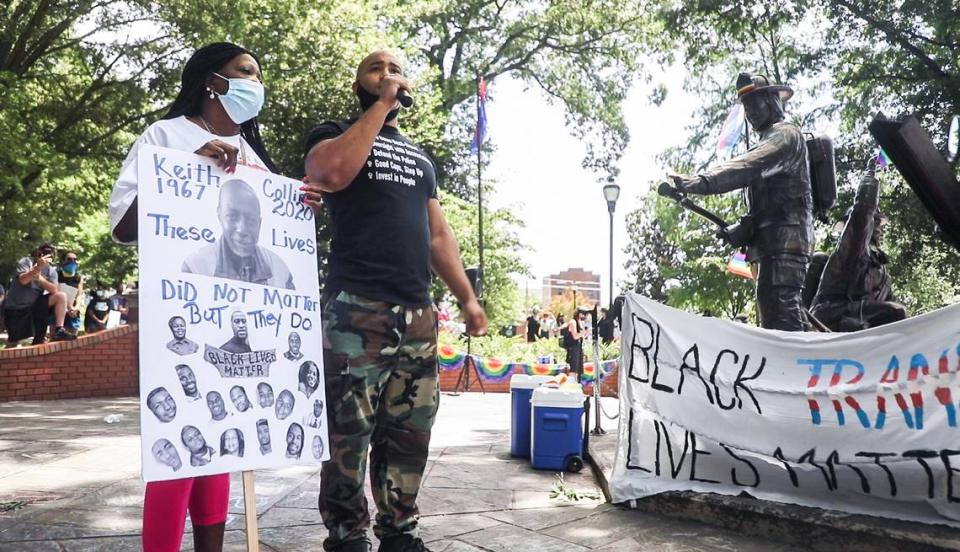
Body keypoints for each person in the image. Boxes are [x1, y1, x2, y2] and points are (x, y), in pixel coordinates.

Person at [302, 49, 489, 552]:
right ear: (359, 83)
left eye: (395, 70)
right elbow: (330, 173)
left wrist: (467, 299)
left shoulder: (421, 157)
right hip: (356, 308)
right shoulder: (333, 133)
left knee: (409, 433)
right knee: (348, 432)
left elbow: (437, 235)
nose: (388, 75)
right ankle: (345, 535)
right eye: (375, 68)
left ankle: (399, 532)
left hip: (418, 313)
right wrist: (379, 109)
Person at [109, 42, 277, 552]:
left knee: (223, 442)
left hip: (238, 324)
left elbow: (272, 235)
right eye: (244, 72)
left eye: (257, 74)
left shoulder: (255, 159)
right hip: (181, 317)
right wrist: (185, 168)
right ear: (213, 82)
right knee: (177, 447)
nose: (256, 83)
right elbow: (123, 225)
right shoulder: (166, 135)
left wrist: (300, 203)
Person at [669, 73, 813, 331]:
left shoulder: (786, 135)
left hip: (785, 244)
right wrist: (746, 228)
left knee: (782, 320)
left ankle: (795, 369)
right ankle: (799, 367)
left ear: (771, 100)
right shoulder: (769, 138)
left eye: (753, 104)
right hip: (774, 245)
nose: (749, 113)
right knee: (781, 315)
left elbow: (748, 167)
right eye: (745, 108)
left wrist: (702, 182)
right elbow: (770, 203)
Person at [811, 160, 908, 331]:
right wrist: (870, 175)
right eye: (874, 222)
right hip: (834, 313)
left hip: (861, 317)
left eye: (879, 223)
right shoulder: (852, 250)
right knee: (895, 311)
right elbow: (862, 211)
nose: (878, 227)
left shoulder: (883, 273)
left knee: (899, 317)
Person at [181, 179, 295, 290]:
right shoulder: (196, 266)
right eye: (232, 217)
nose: (242, 230)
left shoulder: (280, 270)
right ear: (220, 216)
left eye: (251, 220)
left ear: (259, 224)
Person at [2, 243, 74, 344]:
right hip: (16, 308)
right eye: (44, 253)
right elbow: (23, 280)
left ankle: (59, 329)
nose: (46, 256)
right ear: (38, 253)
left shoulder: (51, 271)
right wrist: (38, 268)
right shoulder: (26, 262)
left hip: (34, 306)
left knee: (61, 296)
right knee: (14, 343)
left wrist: (40, 279)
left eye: (49, 254)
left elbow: (54, 290)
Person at [57, 251, 85, 335]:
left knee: (73, 341)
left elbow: (79, 294)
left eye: (75, 259)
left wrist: (76, 307)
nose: (72, 261)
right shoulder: (57, 275)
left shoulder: (78, 277)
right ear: (63, 261)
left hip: (73, 312)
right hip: (58, 311)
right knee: (55, 340)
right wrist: (65, 309)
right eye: (69, 259)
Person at [564, 311, 586, 380]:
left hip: (578, 347)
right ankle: (572, 385)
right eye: (582, 313)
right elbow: (575, 336)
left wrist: (585, 333)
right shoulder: (573, 322)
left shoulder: (580, 322)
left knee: (578, 369)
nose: (584, 315)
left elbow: (581, 336)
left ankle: (576, 383)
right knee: (573, 368)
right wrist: (584, 332)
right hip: (573, 348)